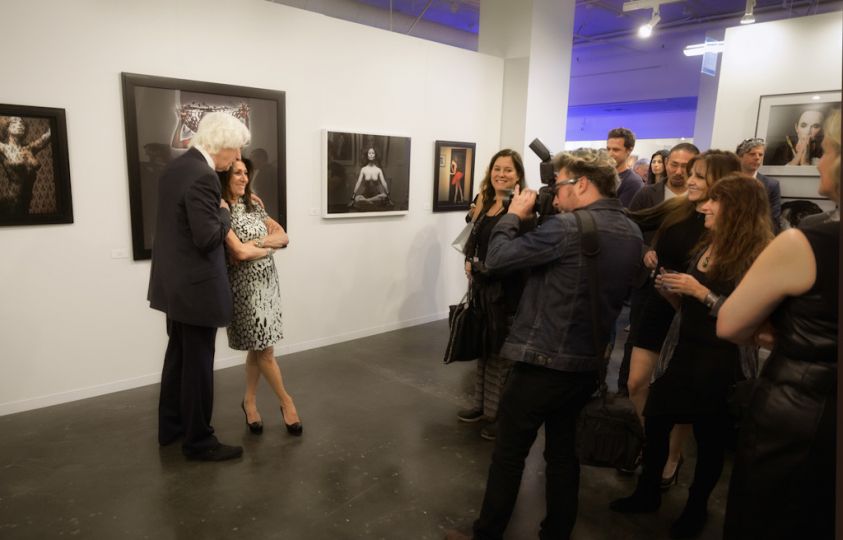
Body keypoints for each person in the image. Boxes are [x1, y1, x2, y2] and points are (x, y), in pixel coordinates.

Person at [446, 148, 643, 540]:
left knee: (508, 454)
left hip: (542, 361)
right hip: (588, 364)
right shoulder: (632, 232)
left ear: (582, 183)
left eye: (560, 183)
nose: (555, 191)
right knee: (563, 457)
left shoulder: (569, 229)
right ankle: (556, 532)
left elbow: (498, 258)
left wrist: (513, 216)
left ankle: (487, 534)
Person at [611, 174, 773, 538]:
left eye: (714, 201)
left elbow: (752, 321)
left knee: (710, 438)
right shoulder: (707, 244)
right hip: (684, 350)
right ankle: (647, 491)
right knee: (656, 420)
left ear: (738, 209)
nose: (704, 207)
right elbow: (690, 308)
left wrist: (700, 292)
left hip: (723, 360)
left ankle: (696, 509)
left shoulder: (756, 257)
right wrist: (674, 292)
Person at [718, 109, 839, 539]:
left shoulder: (807, 241)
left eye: (825, 151)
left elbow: (730, 325)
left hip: (801, 414)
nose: (819, 161)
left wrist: (785, 331)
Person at [626, 150, 739, 485]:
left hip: (693, 318)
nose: (689, 179)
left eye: (700, 175)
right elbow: (636, 218)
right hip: (658, 304)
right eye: (691, 173)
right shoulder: (676, 208)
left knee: (679, 399)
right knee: (636, 384)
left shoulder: (726, 226)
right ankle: (655, 446)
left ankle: (670, 459)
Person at [148, 111, 250, 462]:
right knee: (198, 366)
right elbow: (207, 237)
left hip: (174, 284)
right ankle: (199, 441)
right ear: (219, 144)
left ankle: (172, 428)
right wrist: (225, 212)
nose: (236, 158)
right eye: (234, 150)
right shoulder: (203, 176)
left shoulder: (176, 168)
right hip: (197, 288)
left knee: (178, 358)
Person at [219, 158, 301, 436]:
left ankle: (249, 402)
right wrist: (265, 248)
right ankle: (287, 403)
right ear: (225, 177)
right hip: (244, 287)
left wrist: (259, 244)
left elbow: (283, 236)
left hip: (267, 282)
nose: (243, 177)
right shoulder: (222, 208)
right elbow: (238, 253)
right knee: (265, 350)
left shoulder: (254, 203)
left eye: (245, 173)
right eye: (236, 173)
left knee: (259, 347)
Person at [457, 149, 532, 441]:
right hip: (482, 290)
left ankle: (500, 415)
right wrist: (470, 260)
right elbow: (472, 241)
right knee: (484, 349)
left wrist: (485, 268)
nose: (501, 174)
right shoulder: (486, 203)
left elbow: (520, 255)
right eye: (497, 169)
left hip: (507, 292)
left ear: (518, 175)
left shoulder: (523, 209)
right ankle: (482, 405)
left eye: (508, 170)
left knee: (503, 355)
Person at [618, 143, 698, 396]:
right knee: (637, 339)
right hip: (648, 282)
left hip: (684, 283)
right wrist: (644, 252)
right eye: (673, 164)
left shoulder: (700, 200)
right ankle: (623, 397)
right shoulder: (647, 194)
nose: (678, 171)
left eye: (686, 166)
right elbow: (632, 230)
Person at [0, 116, 52, 216]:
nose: (19, 124)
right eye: (14, 122)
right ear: (7, 128)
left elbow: (47, 136)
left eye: (22, 123)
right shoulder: (3, 148)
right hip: (10, 201)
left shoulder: (29, 148)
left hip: (26, 201)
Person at [735, 137, 781, 232]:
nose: (757, 158)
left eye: (761, 155)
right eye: (752, 154)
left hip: (759, 236)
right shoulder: (727, 182)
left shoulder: (771, 185)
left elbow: (773, 220)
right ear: (740, 156)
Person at [606, 127, 644, 207]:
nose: (610, 154)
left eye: (616, 150)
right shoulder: (603, 176)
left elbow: (621, 216)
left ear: (629, 150)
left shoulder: (633, 183)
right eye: (608, 149)